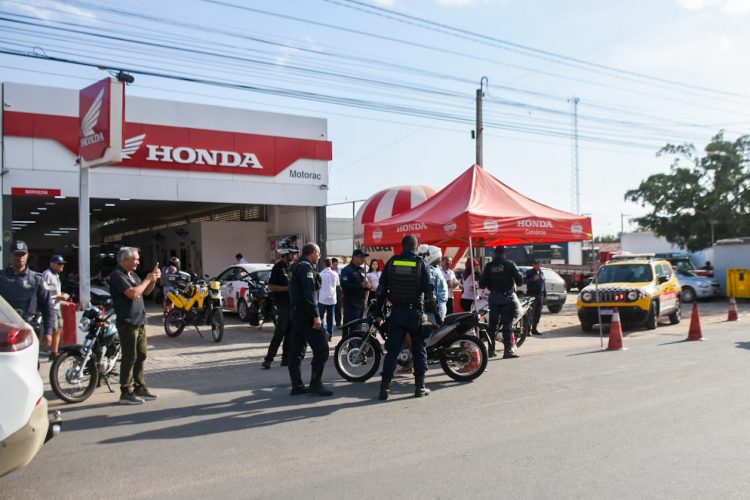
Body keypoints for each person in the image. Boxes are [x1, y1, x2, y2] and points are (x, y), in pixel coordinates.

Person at [371, 235, 435, 400]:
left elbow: (381, 291)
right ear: (416, 247)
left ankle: (384, 388)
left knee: (392, 351)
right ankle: (420, 387)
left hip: (397, 313)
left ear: (402, 246)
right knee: (419, 349)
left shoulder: (392, 263)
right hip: (415, 314)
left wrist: (378, 312)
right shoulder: (421, 264)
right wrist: (436, 316)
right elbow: (429, 293)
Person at [109, 247, 161, 405]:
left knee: (141, 355)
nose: (138, 262)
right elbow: (132, 293)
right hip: (128, 322)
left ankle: (140, 387)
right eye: (135, 259)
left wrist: (153, 280)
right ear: (125, 260)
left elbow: (145, 292)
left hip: (140, 320)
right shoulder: (118, 275)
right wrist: (146, 280)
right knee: (130, 357)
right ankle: (126, 391)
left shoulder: (133, 274)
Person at [287, 242, 333, 396]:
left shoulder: (294, 266)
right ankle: (315, 383)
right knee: (322, 349)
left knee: (297, 350)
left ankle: (297, 385)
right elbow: (309, 294)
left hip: (296, 313)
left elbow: (310, 286)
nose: (319, 257)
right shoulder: (306, 267)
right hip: (307, 315)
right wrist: (316, 316)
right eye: (318, 254)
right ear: (313, 252)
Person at [0, 240, 54, 355]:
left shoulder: (36, 279)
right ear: (10, 256)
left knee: (30, 361)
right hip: (4, 330)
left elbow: (48, 307)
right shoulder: (1, 277)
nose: (20, 258)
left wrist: (48, 332)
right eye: (16, 254)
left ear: (27, 256)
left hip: (28, 328)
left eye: (22, 254)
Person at [479, 246, 523, 359]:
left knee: (492, 326)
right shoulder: (510, 264)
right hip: (507, 298)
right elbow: (520, 281)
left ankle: (491, 350)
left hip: (493, 298)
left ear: (495, 253)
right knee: (507, 325)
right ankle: (508, 351)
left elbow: (481, 284)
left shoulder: (489, 266)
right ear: (504, 253)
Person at [262, 243, 299, 368]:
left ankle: (286, 359)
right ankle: (269, 359)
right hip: (282, 305)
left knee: (290, 333)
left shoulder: (292, 267)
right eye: (292, 254)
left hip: (291, 305)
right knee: (280, 332)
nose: (294, 256)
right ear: (286, 254)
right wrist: (287, 288)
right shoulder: (278, 267)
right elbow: (271, 286)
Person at [41, 255, 71, 359]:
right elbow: (46, 292)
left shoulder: (56, 275)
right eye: (59, 264)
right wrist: (62, 296)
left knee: (59, 328)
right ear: (52, 264)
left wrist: (63, 294)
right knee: (52, 329)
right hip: (50, 306)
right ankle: (46, 350)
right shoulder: (47, 274)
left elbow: (56, 291)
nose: (62, 266)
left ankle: (54, 351)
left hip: (56, 305)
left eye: (62, 264)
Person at [340, 249, 371, 338]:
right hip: (351, 304)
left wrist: (367, 286)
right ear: (355, 257)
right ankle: (351, 344)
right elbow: (345, 286)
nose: (363, 259)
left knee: (357, 328)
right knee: (354, 330)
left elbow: (364, 286)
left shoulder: (361, 270)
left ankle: (351, 344)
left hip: (360, 303)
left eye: (364, 257)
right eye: (361, 257)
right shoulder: (347, 270)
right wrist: (360, 285)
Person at [317, 258, 339, 341]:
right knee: (330, 318)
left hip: (322, 298)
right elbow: (337, 285)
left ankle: (323, 332)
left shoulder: (320, 274)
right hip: (332, 299)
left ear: (324, 265)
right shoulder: (335, 274)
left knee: (321, 317)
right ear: (331, 264)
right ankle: (330, 334)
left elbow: (318, 287)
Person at [524, 259, 546, 336]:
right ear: (533, 265)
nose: (538, 266)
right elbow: (524, 281)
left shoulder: (542, 273)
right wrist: (532, 279)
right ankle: (527, 330)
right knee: (531, 313)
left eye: (539, 264)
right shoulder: (529, 272)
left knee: (538, 313)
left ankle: (534, 329)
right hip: (532, 295)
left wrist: (545, 295)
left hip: (540, 296)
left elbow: (543, 285)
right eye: (536, 264)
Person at [331, 257, 343, 327]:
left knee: (338, 307)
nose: (336, 266)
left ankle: (338, 323)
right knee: (331, 307)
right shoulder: (329, 271)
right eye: (334, 265)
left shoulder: (340, 271)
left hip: (339, 290)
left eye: (336, 264)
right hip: (331, 290)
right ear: (331, 264)